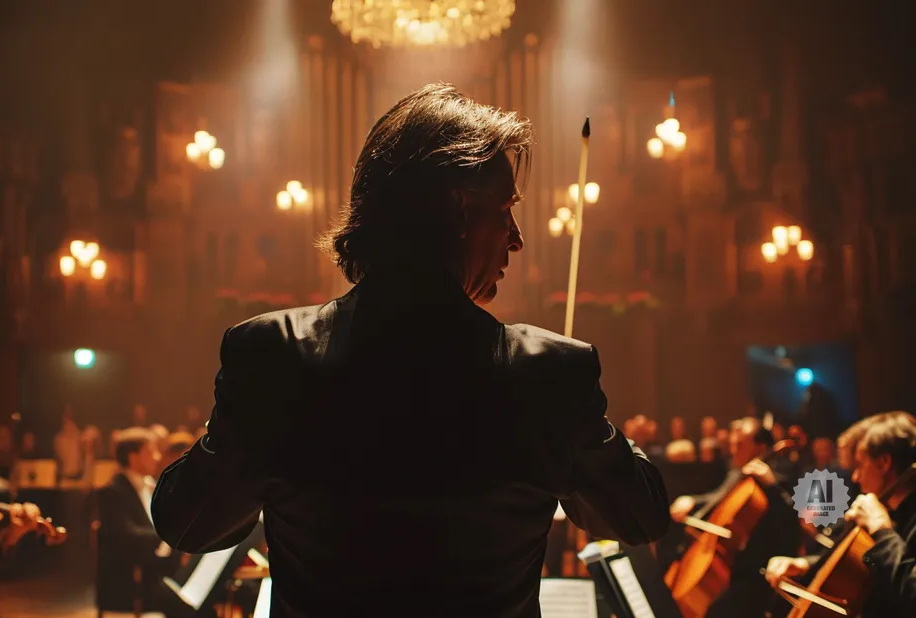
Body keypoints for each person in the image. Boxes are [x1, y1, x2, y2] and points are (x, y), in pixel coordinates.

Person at [151, 83, 670, 618]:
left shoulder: (274, 355)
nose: (516, 238)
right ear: (459, 209)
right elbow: (640, 516)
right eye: (506, 209)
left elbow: (186, 523)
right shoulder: (547, 372)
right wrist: (573, 419)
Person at [765, 411, 916, 616]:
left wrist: (882, 530)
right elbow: (862, 564)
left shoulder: (887, 519)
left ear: (883, 463)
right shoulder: (890, 511)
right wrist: (805, 564)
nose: (855, 477)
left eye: (860, 465)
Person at [667, 416, 800, 618]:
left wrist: (772, 486)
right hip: (732, 566)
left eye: (739, 445)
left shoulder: (779, 478)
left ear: (760, 447)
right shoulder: (737, 473)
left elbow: (792, 525)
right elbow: (718, 498)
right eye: (732, 444)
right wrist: (692, 500)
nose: (733, 450)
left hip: (753, 575)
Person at [95, 428, 193, 618]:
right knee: (190, 609)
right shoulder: (112, 492)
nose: (157, 457)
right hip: (131, 584)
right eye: (151, 452)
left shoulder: (148, 485)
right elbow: (126, 535)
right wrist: (168, 536)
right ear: (134, 457)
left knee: (196, 599)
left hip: (154, 574)